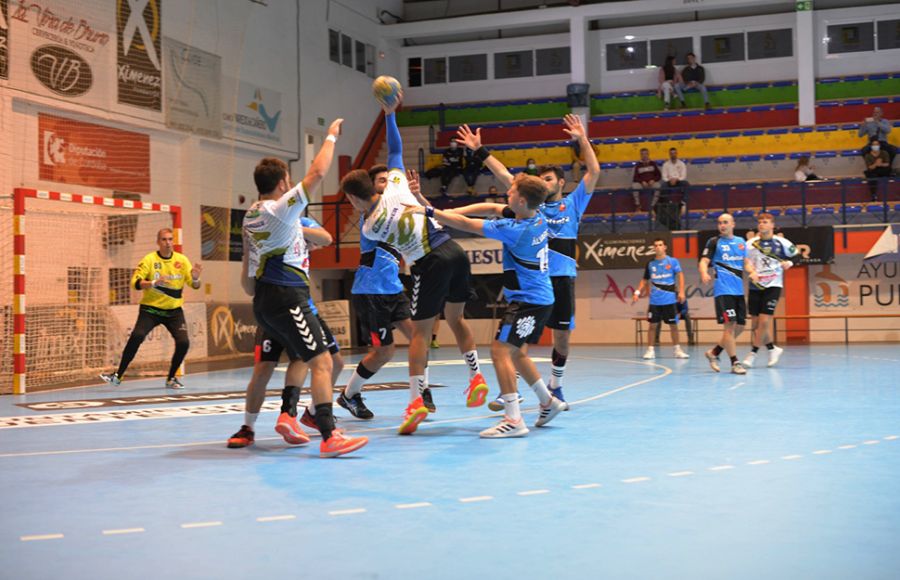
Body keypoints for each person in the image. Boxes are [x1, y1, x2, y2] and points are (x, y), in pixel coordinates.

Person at [341, 97, 488, 436]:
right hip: (454, 248)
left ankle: (416, 400)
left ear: (352, 199)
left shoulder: (369, 227)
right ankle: (476, 375)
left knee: (419, 335)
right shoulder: (398, 185)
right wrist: (390, 113)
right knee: (455, 319)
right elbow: (394, 150)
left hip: (429, 261)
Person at [452, 114, 600, 411]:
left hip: (561, 279)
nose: (543, 183)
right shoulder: (531, 207)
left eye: (548, 179)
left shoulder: (572, 203)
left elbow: (594, 170)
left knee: (562, 338)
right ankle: (513, 389)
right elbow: (506, 176)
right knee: (520, 338)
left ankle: (556, 388)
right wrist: (479, 150)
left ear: (560, 182)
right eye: (540, 179)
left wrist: (582, 138)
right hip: (535, 283)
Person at [405, 175, 567, 437]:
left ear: (522, 200)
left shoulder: (516, 230)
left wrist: (429, 211)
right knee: (517, 353)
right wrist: (436, 209)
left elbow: (467, 224)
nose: (507, 194)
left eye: (511, 191)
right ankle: (548, 402)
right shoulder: (534, 216)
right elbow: (490, 208)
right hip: (537, 299)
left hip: (529, 302)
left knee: (500, 351)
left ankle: (514, 420)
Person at [243, 130, 368, 458]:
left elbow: (247, 271)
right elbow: (318, 172)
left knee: (313, 358)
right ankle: (328, 434)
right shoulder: (281, 210)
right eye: (289, 179)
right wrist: (330, 136)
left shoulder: (250, 215)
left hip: (265, 298)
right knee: (323, 361)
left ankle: (294, 417)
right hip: (288, 295)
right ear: (284, 183)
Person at [227, 217, 345, 448]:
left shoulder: (296, 222)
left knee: (325, 361)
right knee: (272, 367)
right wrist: (247, 259)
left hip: (290, 306)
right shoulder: (262, 234)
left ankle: (293, 415)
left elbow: (325, 238)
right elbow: (249, 287)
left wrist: (297, 232)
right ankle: (257, 425)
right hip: (281, 306)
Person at [100, 228, 202, 389]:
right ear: (158, 242)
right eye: (164, 240)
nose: (168, 243)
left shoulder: (182, 260)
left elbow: (195, 285)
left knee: (184, 343)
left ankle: (171, 379)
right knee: (137, 336)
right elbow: (135, 282)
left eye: (170, 239)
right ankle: (118, 376)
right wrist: (153, 283)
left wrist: (196, 279)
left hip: (173, 311)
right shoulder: (149, 260)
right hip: (151, 310)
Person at [700, 213, 756, 375]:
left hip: (738, 291)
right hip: (723, 291)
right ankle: (735, 363)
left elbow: (745, 263)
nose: (722, 225)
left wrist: (752, 272)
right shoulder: (714, 242)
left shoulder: (740, 242)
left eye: (725, 222)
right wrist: (704, 272)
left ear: (733, 224)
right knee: (729, 328)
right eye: (719, 223)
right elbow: (703, 261)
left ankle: (714, 352)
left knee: (740, 326)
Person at [742, 213, 799, 370]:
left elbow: (797, 255)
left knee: (764, 321)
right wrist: (750, 271)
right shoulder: (751, 243)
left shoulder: (782, 242)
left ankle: (752, 354)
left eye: (765, 222)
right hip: (755, 286)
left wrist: (790, 262)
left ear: (772, 225)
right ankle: (772, 349)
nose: (762, 224)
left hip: (773, 285)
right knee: (755, 325)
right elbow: (745, 261)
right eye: (760, 222)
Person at [632, 238, 689, 360]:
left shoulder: (672, 261)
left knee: (673, 326)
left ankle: (677, 350)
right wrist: (637, 291)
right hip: (655, 301)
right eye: (655, 245)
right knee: (653, 326)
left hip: (670, 300)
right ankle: (650, 350)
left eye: (660, 245)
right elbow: (645, 280)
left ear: (665, 247)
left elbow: (680, 275)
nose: (658, 247)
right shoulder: (650, 264)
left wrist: (682, 291)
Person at [659, 147, 689, 228]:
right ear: (669, 154)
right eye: (671, 153)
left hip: (678, 181)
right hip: (669, 181)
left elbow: (683, 176)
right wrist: (670, 180)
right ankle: (666, 203)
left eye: (674, 153)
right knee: (663, 185)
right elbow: (664, 177)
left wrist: (676, 179)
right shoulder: (665, 165)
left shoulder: (682, 164)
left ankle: (684, 201)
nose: (673, 155)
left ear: (677, 154)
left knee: (686, 184)